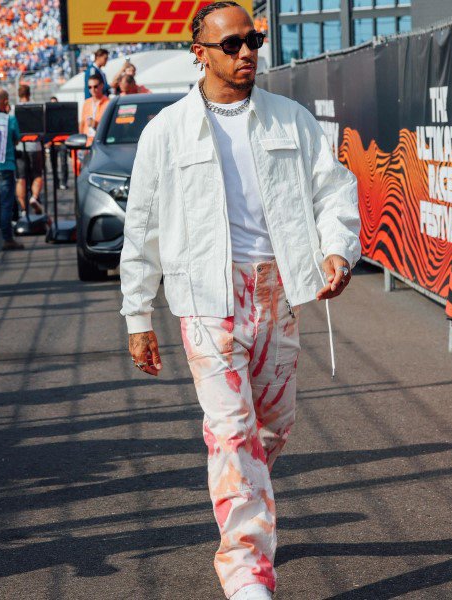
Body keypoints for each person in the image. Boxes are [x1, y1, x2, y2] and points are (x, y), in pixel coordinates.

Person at [119, 2, 361, 599]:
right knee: (231, 432)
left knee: (271, 428)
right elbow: (142, 227)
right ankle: (247, 572)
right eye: (231, 44)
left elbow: (334, 190)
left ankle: (246, 499)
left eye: (253, 40)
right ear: (199, 52)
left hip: (278, 290)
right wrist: (138, 316)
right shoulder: (166, 130)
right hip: (207, 298)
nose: (247, 51)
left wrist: (337, 250)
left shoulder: (290, 119)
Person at [0, 87, 24, 250]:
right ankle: (8, 239)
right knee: (6, 204)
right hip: (5, 167)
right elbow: (16, 139)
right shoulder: (10, 119)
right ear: (6, 102)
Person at [15, 84, 44, 215]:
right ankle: (34, 197)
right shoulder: (36, 108)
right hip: (35, 147)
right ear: (29, 94)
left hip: (20, 147)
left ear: (19, 94)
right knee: (37, 175)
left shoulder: (14, 109)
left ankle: (23, 209)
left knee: (21, 178)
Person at [80, 74, 110, 146]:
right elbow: (82, 124)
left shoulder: (108, 103)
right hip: (87, 143)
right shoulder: (86, 103)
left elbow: (110, 126)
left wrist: (96, 124)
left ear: (102, 86)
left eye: (95, 86)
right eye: (89, 87)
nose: (92, 90)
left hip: (101, 143)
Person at [48, 96, 69, 189]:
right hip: (52, 143)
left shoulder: (63, 116)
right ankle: (56, 183)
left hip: (62, 142)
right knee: (53, 165)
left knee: (64, 163)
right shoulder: (48, 117)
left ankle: (64, 182)